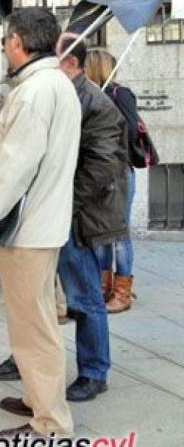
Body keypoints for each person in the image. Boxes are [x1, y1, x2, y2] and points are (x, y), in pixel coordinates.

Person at [0, 8, 80, 440]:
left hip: (28, 225)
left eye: (5, 40)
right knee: (38, 319)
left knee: (34, 327)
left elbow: (16, 168)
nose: (3, 47)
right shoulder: (53, 84)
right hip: (42, 221)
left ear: (17, 40)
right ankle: (39, 400)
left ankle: (50, 422)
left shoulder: (35, 91)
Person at [55, 34, 128, 401]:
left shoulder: (96, 104)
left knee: (84, 296)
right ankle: (29, 360)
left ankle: (94, 372)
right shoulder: (59, 94)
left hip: (78, 215)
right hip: (53, 211)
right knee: (39, 294)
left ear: (70, 63)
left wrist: (64, 204)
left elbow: (101, 166)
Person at [85, 49, 140, 313]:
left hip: (118, 172)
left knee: (119, 234)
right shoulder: (91, 96)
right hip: (98, 173)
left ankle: (122, 291)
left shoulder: (119, 94)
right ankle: (104, 286)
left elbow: (128, 135)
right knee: (102, 233)